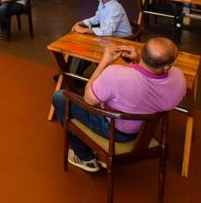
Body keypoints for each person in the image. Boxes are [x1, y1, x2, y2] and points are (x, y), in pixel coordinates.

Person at [52, 38, 186, 172]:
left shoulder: (116, 74)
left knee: (59, 97)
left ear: (144, 52)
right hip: (145, 130)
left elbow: (88, 99)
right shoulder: (178, 78)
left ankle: (85, 157)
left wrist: (104, 62)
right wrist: (138, 60)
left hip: (115, 131)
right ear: (167, 66)